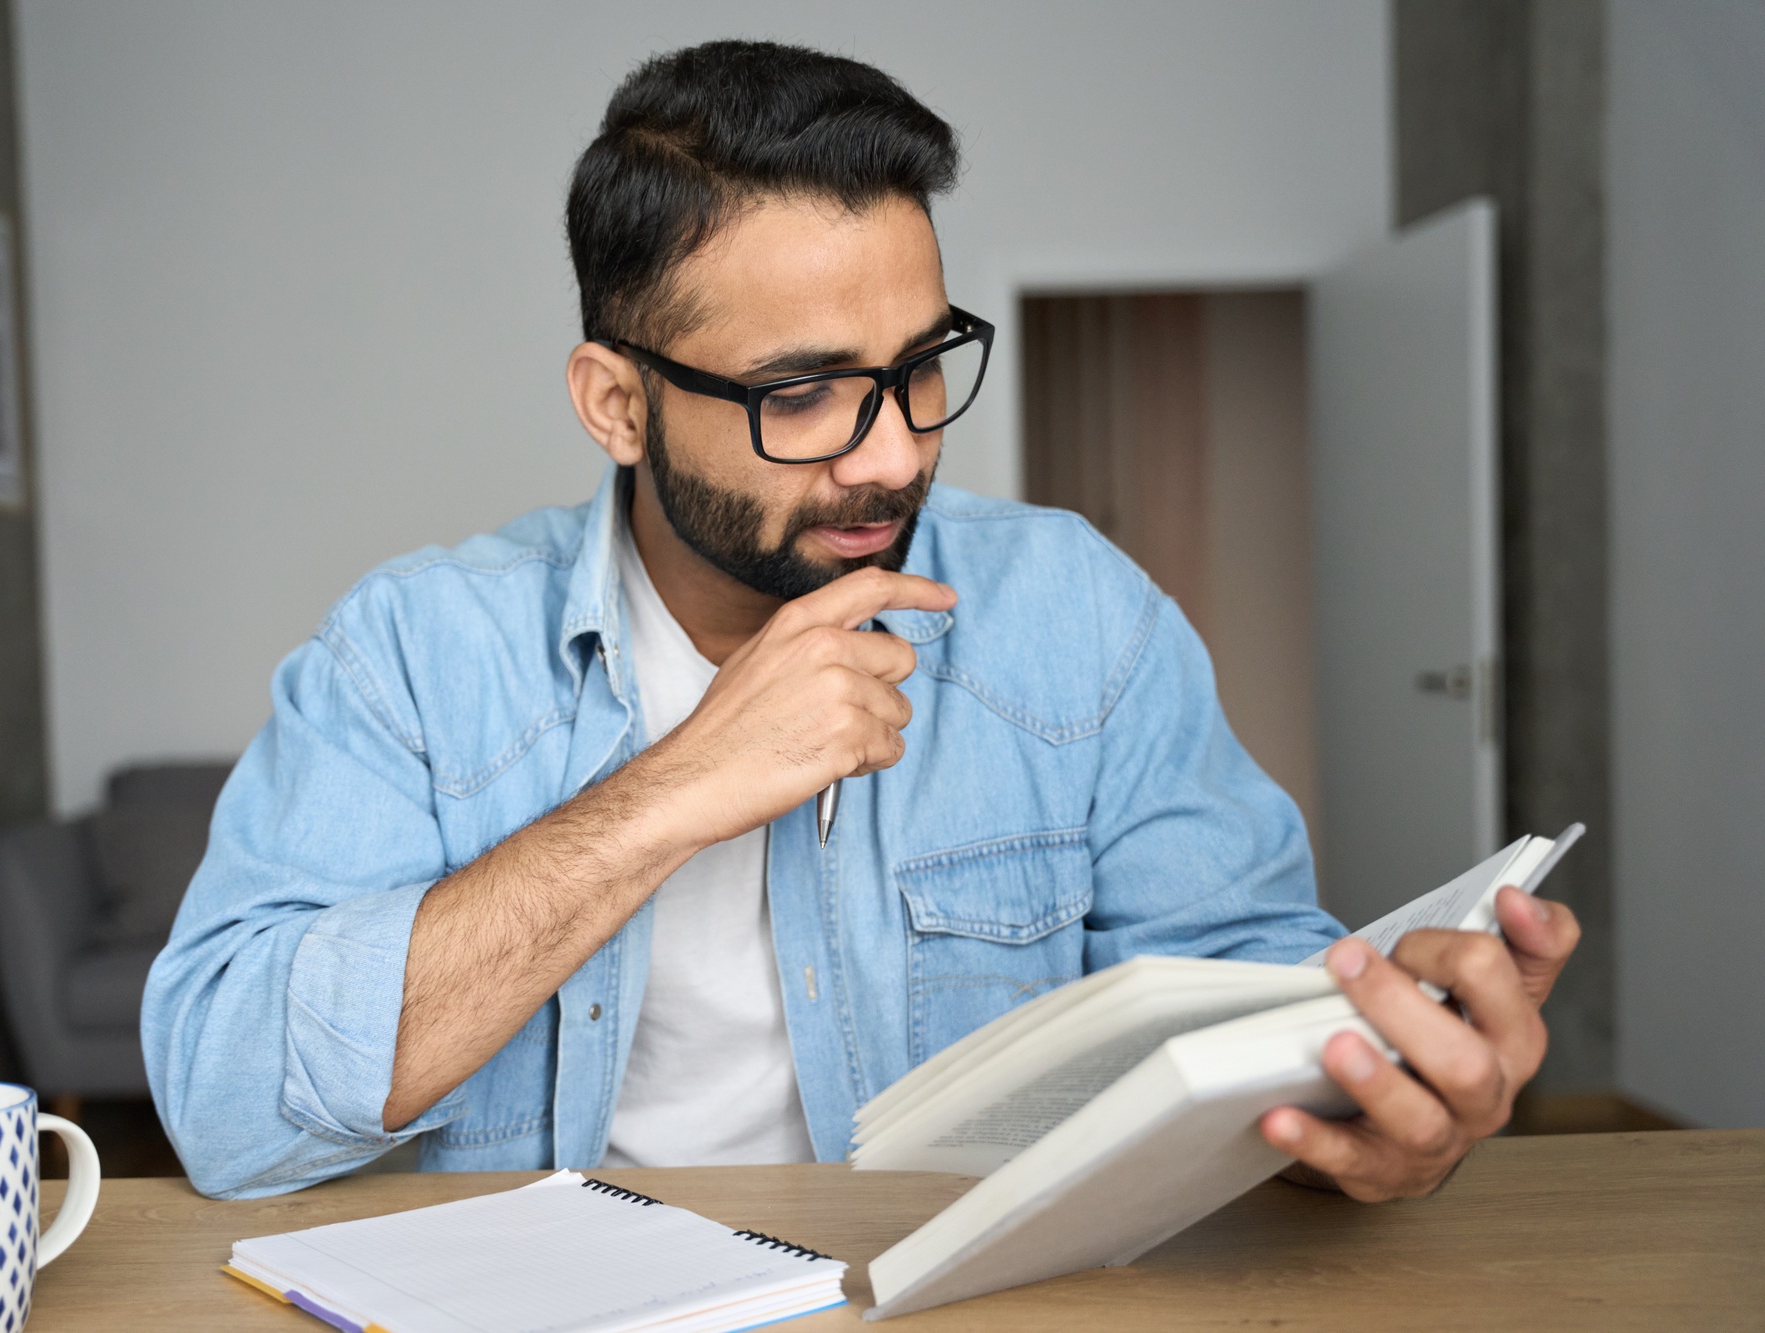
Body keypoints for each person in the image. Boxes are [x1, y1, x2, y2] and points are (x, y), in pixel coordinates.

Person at [143, 39, 1579, 1204]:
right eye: (803, 393)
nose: (893, 451)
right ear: (616, 402)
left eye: (921, 365)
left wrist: (1381, 1092)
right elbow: (223, 1103)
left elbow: (1247, 1002)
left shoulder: (1074, 612)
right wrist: (675, 789)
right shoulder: (408, 653)